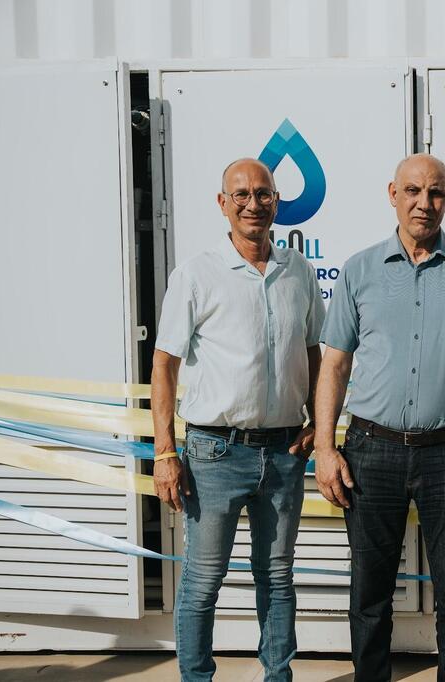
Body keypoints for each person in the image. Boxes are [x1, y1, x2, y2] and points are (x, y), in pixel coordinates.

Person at [312, 153, 445, 681]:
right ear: (392, 194)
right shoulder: (360, 270)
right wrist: (324, 446)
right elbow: (334, 363)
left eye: (435, 193)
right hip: (370, 450)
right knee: (369, 592)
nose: (423, 203)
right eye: (412, 191)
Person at [152, 158, 326, 682]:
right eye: (242, 194)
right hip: (214, 453)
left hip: (284, 451)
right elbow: (164, 365)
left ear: (278, 201)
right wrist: (165, 452)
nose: (254, 202)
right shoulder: (196, 274)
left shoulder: (298, 270)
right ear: (223, 203)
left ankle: (278, 676)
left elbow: (315, 350)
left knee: (277, 578)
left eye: (265, 193)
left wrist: (318, 420)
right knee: (203, 582)